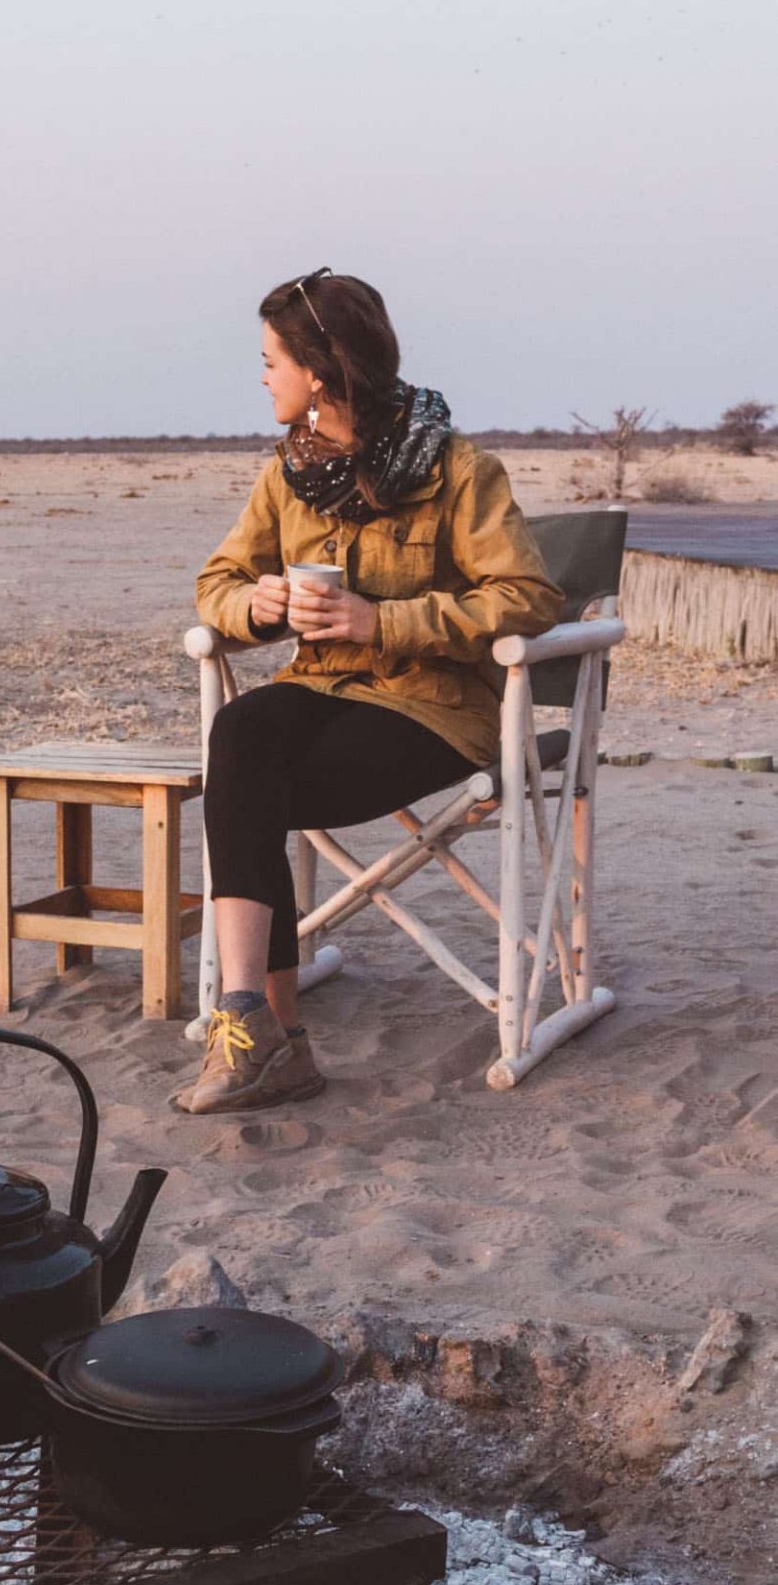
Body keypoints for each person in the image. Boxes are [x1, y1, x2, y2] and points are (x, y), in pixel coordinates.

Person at [172, 269, 563, 1116]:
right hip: (321, 690)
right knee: (243, 732)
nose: (265, 376)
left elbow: (526, 598)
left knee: (246, 787)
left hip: (434, 708)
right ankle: (257, 1025)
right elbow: (218, 582)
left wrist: (379, 621)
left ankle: (266, 1041)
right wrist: (259, 603)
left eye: (272, 359)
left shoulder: (459, 469)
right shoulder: (288, 473)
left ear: (318, 370)